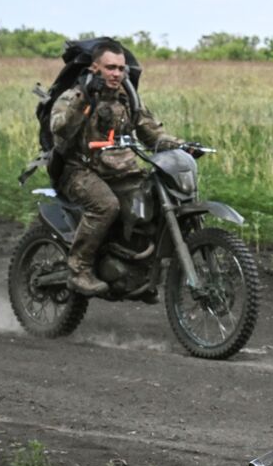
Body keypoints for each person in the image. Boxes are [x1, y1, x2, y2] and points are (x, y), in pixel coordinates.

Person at [49, 39, 186, 296]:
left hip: (119, 170)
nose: (117, 74)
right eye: (110, 67)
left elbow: (152, 134)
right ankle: (79, 269)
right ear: (94, 68)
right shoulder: (75, 95)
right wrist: (84, 100)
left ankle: (140, 275)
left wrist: (182, 146)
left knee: (153, 202)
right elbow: (60, 129)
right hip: (78, 170)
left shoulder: (128, 99)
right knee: (105, 206)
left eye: (121, 68)